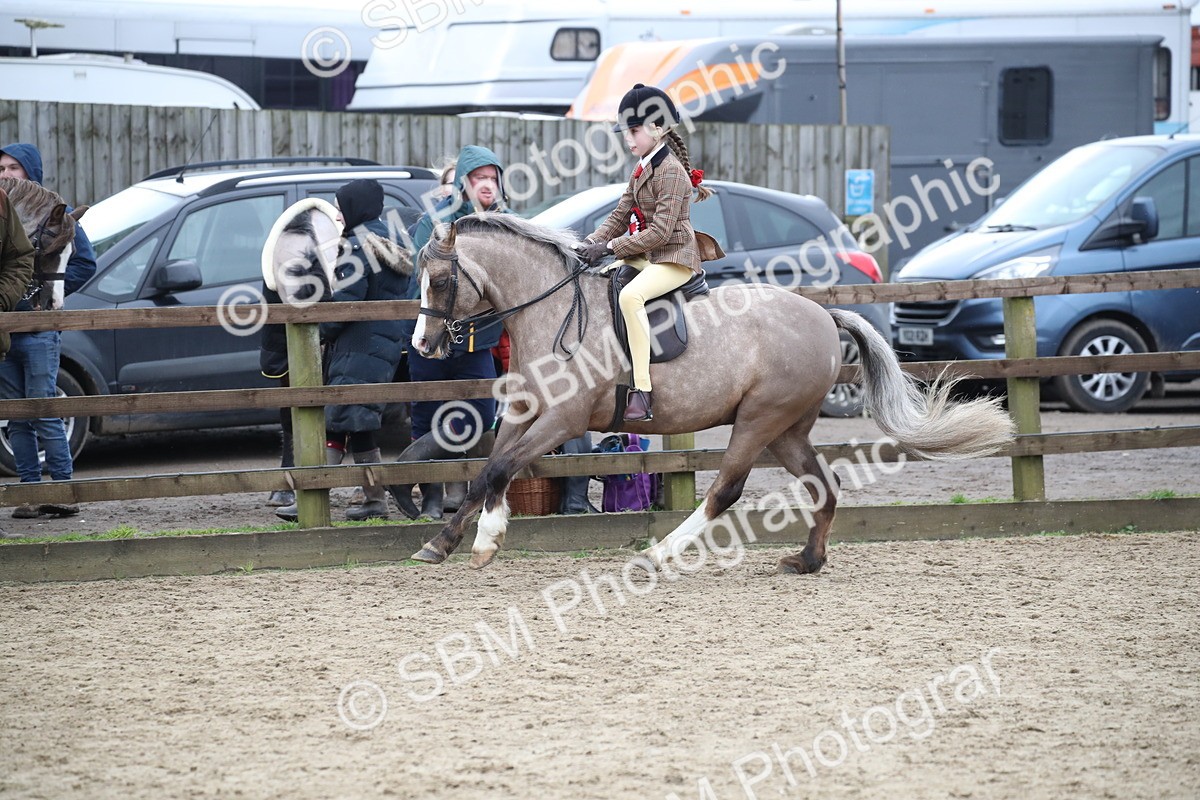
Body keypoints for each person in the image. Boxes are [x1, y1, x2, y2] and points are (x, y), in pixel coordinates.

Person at [274, 179, 413, 521]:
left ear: (355, 207)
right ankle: (374, 501)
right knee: (360, 423)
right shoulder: (389, 242)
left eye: (340, 207)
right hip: (381, 348)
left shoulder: (356, 247)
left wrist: (316, 333)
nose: (337, 215)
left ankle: (311, 498)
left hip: (357, 348)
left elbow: (345, 305)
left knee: (337, 422)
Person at [576, 84, 714, 422]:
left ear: (657, 127)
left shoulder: (671, 172)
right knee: (605, 279)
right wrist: (588, 244)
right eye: (626, 132)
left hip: (675, 257)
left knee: (630, 298)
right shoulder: (643, 165)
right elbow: (621, 213)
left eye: (633, 131)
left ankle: (642, 390)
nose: (628, 138)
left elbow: (661, 232)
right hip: (652, 255)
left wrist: (610, 247)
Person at [389, 145, 507, 520]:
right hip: (434, 339)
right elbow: (421, 277)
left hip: (478, 341)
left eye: (492, 177)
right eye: (479, 178)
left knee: (481, 413)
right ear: (463, 183)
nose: (487, 184)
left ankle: (426, 477)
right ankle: (432, 498)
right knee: (425, 416)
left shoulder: (503, 223)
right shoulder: (436, 222)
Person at [0, 143, 97, 517]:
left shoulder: (56, 215)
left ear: (31, 172)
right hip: (8, 329)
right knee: (16, 414)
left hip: (40, 329)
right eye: (2, 168)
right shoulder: (3, 212)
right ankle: (29, 492)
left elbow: (83, 263)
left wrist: (49, 293)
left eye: (14, 168)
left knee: (45, 408)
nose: (6, 174)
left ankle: (61, 490)